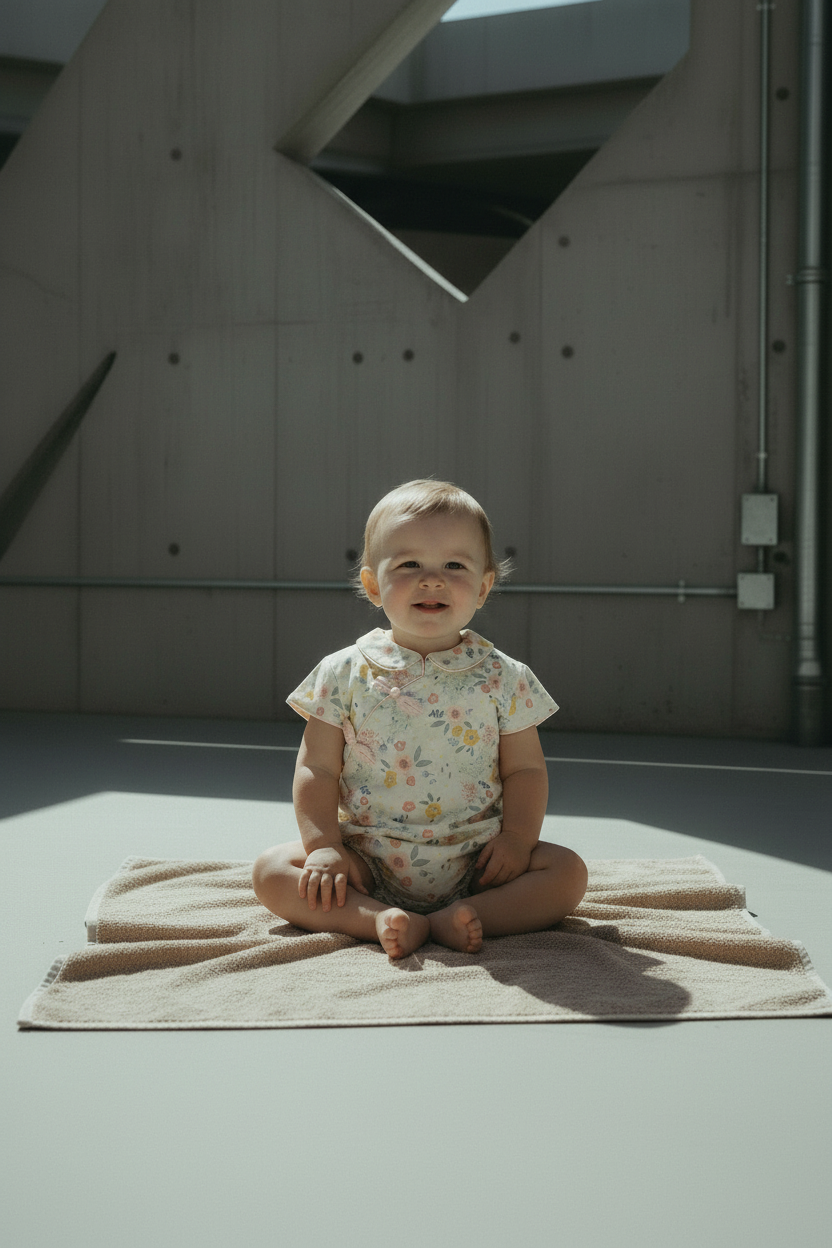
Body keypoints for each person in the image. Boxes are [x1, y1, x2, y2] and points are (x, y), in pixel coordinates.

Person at [253, 479, 588, 958]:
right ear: (373, 585)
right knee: (272, 872)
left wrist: (517, 841)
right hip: (367, 860)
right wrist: (326, 846)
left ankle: (470, 915)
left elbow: (525, 770)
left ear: (483, 587)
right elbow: (317, 768)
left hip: (479, 861)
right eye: (409, 564)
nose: (432, 580)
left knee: (568, 873)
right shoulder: (342, 672)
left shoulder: (505, 676)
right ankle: (377, 918)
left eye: (454, 565)